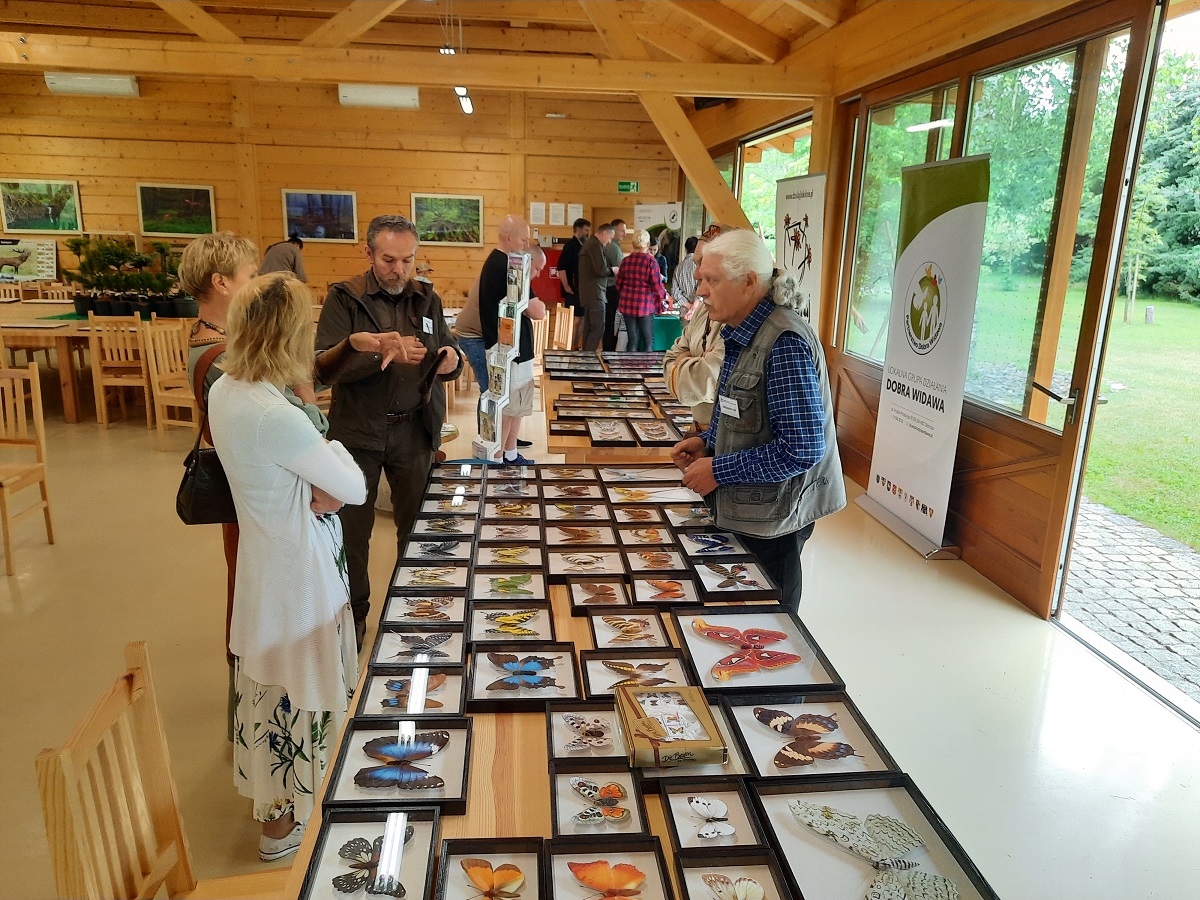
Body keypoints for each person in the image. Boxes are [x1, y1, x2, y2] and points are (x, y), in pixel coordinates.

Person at [208, 273, 367, 862]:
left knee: (273, 695)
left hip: (266, 570)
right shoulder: (274, 414)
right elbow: (349, 485)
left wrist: (309, 481)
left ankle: (284, 818)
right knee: (298, 701)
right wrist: (326, 471)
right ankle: (285, 834)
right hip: (300, 580)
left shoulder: (228, 389)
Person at [670, 230, 846, 611]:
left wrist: (719, 469)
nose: (701, 292)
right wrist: (709, 440)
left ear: (749, 281)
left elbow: (802, 449)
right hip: (751, 507)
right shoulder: (741, 328)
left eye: (712, 281)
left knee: (770, 622)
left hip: (775, 519)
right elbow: (736, 404)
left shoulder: (784, 343)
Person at [316, 214, 463, 648]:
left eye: (407, 259)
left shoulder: (426, 298)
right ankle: (354, 618)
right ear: (369, 254)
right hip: (357, 434)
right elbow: (326, 366)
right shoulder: (344, 298)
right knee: (352, 534)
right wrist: (382, 351)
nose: (399, 269)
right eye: (389, 260)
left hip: (414, 431)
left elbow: (443, 349)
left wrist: (450, 358)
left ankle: (412, 613)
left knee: (417, 530)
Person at [478, 216, 547, 464]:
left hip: (513, 349)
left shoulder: (502, 262)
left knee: (515, 406)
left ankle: (509, 453)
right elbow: (538, 310)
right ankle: (498, 459)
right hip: (508, 351)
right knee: (507, 408)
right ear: (509, 238)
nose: (526, 244)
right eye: (523, 238)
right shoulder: (507, 265)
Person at [663, 224, 731, 428]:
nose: (696, 274)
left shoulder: (740, 316)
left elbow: (708, 379)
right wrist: (696, 361)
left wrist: (685, 361)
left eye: (704, 264)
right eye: (697, 264)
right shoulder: (704, 309)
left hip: (725, 440)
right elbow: (669, 359)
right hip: (702, 432)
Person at [615, 229, 667, 353]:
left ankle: (630, 370)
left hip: (627, 305)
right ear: (648, 244)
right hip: (645, 305)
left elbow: (618, 285)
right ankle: (645, 370)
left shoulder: (625, 261)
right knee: (648, 340)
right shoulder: (651, 262)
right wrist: (664, 296)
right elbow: (657, 285)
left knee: (632, 340)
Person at [577, 222, 615, 351]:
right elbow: (600, 270)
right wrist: (613, 270)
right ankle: (589, 358)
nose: (610, 242)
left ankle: (586, 357)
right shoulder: (594, 245)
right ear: (604, 233)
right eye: (610, 238)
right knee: (598, 327)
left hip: (588, 293)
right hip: (595, 293)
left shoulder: (589, 244)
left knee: (589, 327)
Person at [556, 218, 590, 345]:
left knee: (581, 319)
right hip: (572, 289)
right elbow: (561, 268)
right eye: (586, 230)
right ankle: (570, 346)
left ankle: (575, 346)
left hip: (581, 290)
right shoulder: (570, 246)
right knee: (575, 319)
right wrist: (566, 286)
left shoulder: (583, 246)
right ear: (579, 230)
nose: (588, 233)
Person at [603, 219, 627, 351]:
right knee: (612, 324)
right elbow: (621, 270)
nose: (624, 234)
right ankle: (609, 353)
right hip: (612, 289)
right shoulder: (613, 247)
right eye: (622, 230)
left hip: (610, 289)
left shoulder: (614, 246)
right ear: (614, 230)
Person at [670, 236, 701, 317]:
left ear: (686, 250)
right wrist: (694, 307)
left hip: (684, 312)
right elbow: (702, 287)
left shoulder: (678, 268)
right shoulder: (700, 266)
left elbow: (674, 292)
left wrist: (688, 306)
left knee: (684, 330)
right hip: (699, 311)